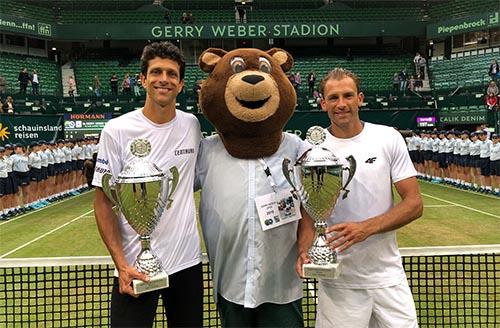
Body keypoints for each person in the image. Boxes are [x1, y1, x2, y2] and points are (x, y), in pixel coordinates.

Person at [297, 68, 423, 328]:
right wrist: (304, 250)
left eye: (347, 96)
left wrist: (365, 228)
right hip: (338, 281)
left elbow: (414, 204)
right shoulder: (310, 149)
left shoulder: (388, 137)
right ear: (323, 103)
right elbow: (308, 211)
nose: (341, 104)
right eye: (333, 98)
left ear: (360, 98)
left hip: (388, 277)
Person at [92, 41, 203, 328]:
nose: (163, 79)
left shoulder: (192, 126)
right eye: (156, 72)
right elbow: (104, 202)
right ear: (143, 79)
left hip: (186, 265)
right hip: (134, 268)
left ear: (180, 84)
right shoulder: (116, 130)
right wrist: (120, 263)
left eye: (171, 74)